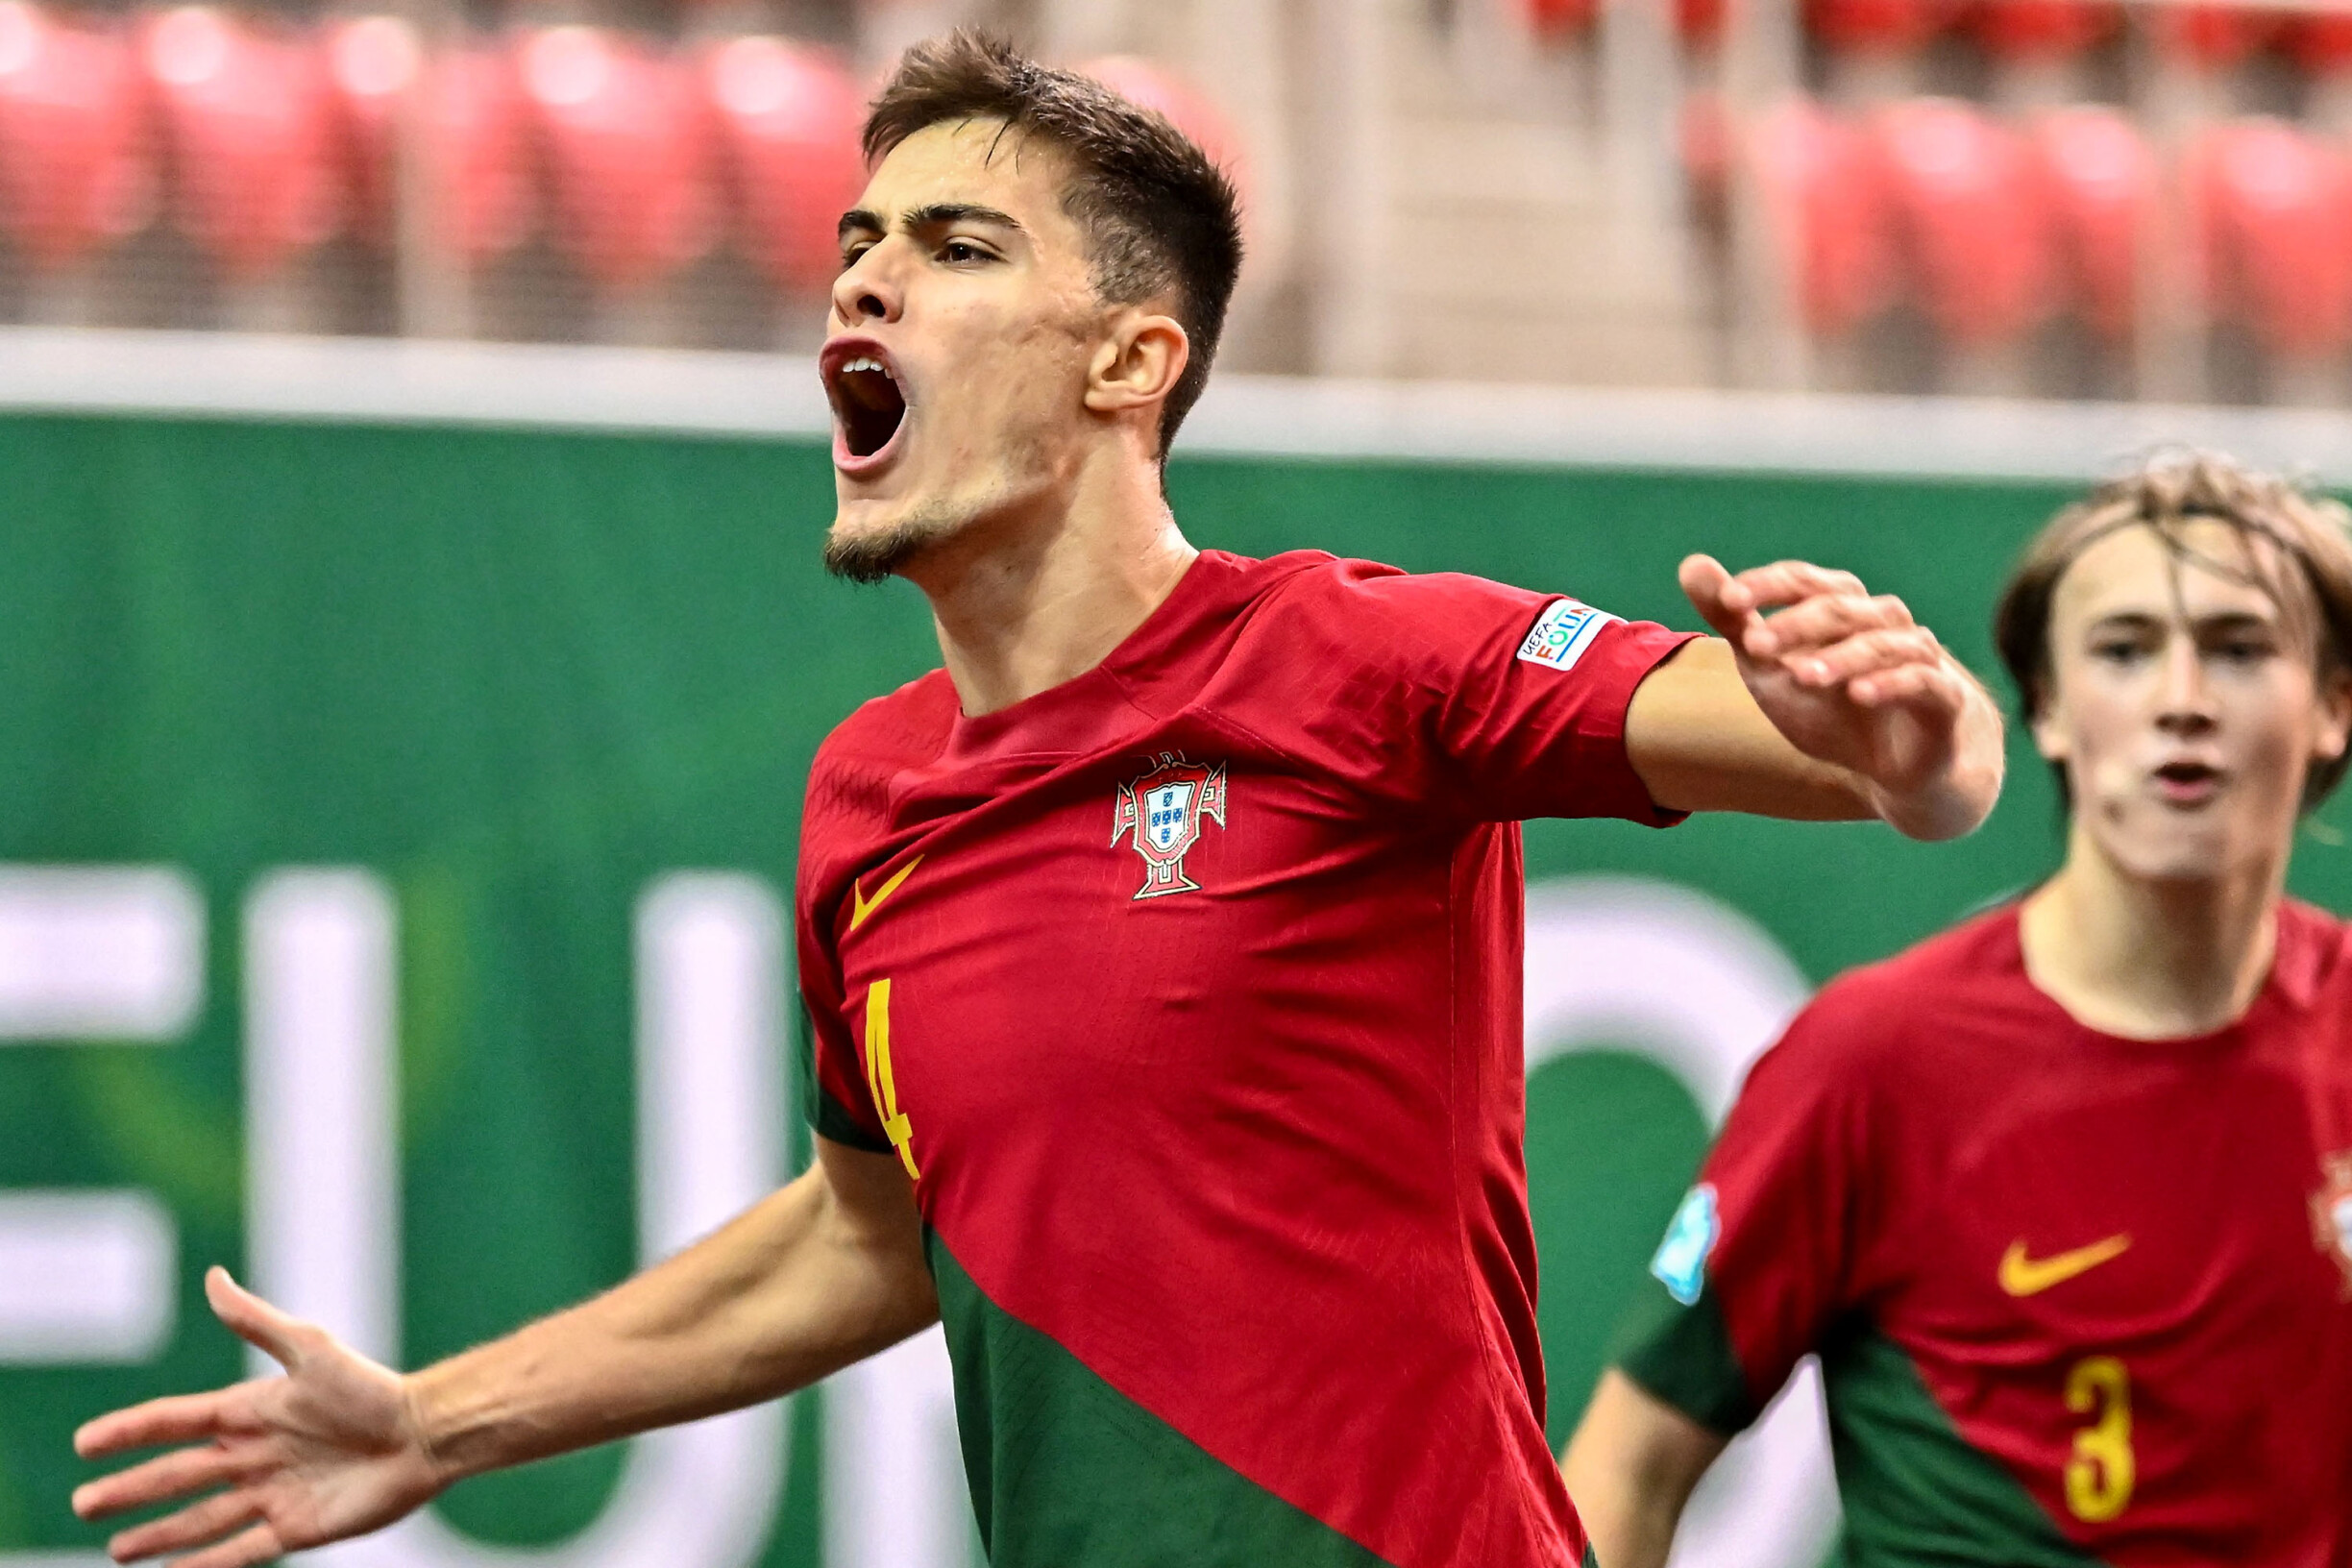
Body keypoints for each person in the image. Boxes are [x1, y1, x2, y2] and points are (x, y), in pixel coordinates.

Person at [70, 32, 2002, 1568]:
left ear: (1130, 361)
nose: (869, 276)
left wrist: (1906, 733)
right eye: (858, 246)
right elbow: (871, 1233)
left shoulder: (1349, 659)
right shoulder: (868, 797)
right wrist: (438, 1419)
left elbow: (1894, 768)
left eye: (956, 246)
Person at [1563, 451, 2352, 1568]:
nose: (2183, 701)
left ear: (2333, 707)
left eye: (2238, 649)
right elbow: (1624, 1469)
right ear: (2048, 713)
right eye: (2125, 651)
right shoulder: (1876, 1058)